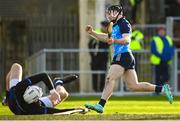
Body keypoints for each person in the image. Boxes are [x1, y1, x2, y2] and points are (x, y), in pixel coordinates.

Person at [84, 5, 173, 113]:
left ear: (119, 13)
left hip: (123, 55)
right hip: (125, 56)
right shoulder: (115, 24)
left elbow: (126, 40)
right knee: (134, 86)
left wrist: (114, 41)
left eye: (112, 12)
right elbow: (106, 38)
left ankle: (101, 105)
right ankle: (163, 89)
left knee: (109, 78)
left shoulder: (124, 23)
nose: (109, 14)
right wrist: (92, 32)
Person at [5, 63, 79, 115]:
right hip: (15, 104)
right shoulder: (32, 109)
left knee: (16, 66)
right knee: (64, 94)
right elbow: (57, 111)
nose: (39, 101)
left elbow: (43, 76)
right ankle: (58, 82)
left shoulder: (19, 88)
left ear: (26, 89)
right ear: (33, 102)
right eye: (37, 100)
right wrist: (76, 109)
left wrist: (53, 91)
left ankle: (7, 98)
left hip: (12, 99)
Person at [150, 27, 175, 94]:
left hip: (166, 60)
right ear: (158, 32)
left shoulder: (168, 39)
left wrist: (170, 56)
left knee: (166, 77)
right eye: (160, 31)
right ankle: (157, 91)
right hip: (158, 61)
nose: (162, 32)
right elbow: (153, 50)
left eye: (163, 31)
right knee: (158, 77)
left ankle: (160, 88)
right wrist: (162, 56)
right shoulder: (155, 39)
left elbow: (172, 48)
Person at [88, 21, 109, 92]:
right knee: (95, 74)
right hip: (96, 58)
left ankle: (101, 89)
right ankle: (95, 89)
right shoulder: (96, 33)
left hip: (104, 58)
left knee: (103, 74)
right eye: (104, 26)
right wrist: (93, 55)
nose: (105, 28)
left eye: (106, 26)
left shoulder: (109, 34)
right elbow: (90, 45)